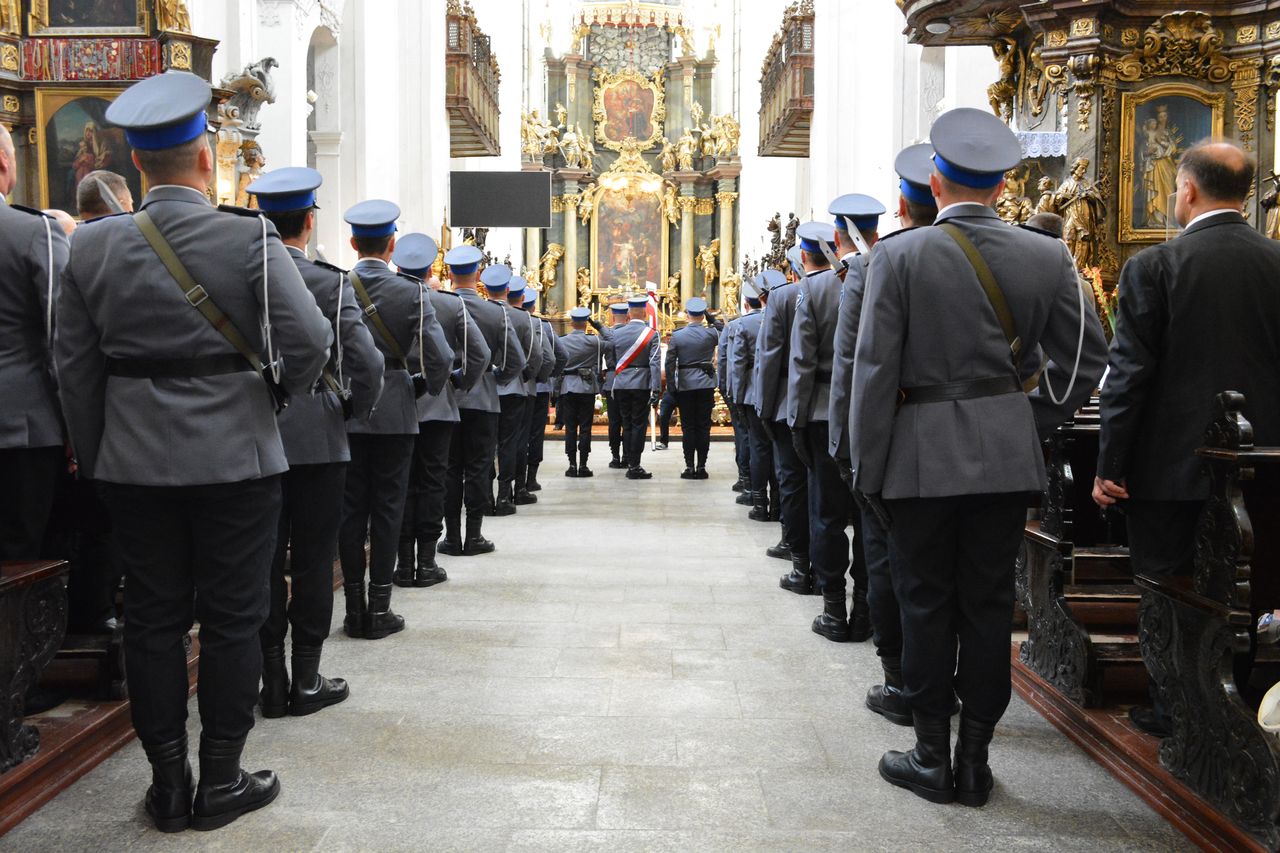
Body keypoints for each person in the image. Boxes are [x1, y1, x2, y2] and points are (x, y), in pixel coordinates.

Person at [55, 71, 333, 832]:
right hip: (238, 458)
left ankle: (168, 784)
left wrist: (99, 448)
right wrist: (271, 398)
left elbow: (73, 367)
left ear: (138, 163)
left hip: (134, 462)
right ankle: (222, 778)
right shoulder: (247, 237)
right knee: (236, 618)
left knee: (151, 620)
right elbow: (311, 342)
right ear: (206, 157)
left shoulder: (92, 248)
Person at [852, 107, 1106, 807]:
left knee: (926, 601)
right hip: (1004, 455)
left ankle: (931, 754)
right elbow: (1088, 357)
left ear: (935, 182)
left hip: (917, 459)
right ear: (1000, 186)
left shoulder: (895, 257)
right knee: (991, 605)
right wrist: (1026, 416)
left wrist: (867, 470)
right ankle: (975, 762)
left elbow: (874, 376)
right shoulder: (1047, 254)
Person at [1093, 140, 1280, 737]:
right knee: (1244, 590)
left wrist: (1110, 465)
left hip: (1169, 472)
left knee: (1164, 587)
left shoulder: (1154, 267)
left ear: (1188, 188)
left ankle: (1173, 709)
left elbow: (1128, 377)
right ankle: (1234, 712)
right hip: (1263, 468)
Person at [246, 167, 383, 718]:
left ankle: (270, 681)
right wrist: (351, 409)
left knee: (261, 562)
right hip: (322, 439)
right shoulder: (332, 282)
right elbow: (367, 361)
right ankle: (306, 677)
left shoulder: (243, 272)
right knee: (312, 560)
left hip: (254, 432)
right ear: (308, 221)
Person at [835, 144, 938, 724]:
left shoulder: (878, 265)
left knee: (898, 566)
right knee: (981, 595)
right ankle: (972, 751)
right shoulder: (1033, 251)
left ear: (904, 201)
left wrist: (857, 455)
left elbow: (864, 368)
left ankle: (903, 686)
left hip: (903, 444)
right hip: (1001, 454)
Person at [337, 199, 452, 641]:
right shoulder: (412, 292)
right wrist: (418, 386)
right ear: (392, 245)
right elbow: (440, 357)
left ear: (352, 243)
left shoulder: (336, 286)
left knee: (351, 512)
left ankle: (351, 609)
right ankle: (379, 608)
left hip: (346, 410)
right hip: (396, 410)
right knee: (388, 508)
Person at [791, 205, 882, 645]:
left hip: (823, 414)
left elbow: (801, 360)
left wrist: (795, 418)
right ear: (875, 231)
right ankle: (864, 610)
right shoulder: (887, 274)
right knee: (870, 519)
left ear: (835, 235)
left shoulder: (818, 288)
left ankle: (832, 609)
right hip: (874, 415)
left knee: (826, 516)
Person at [391, 232, 490, 590]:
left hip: (392, 405)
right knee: (434, 482)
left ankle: (402, 565)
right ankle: (427, 562)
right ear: (432, 268)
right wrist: (457, 383)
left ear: (396, 263)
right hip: (438, 407)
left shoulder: (378, 296)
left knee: (400, 484)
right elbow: (480, 355)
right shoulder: (449, 305)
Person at [0, 123, 70, 563]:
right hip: (22, 429)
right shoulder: (33, 232)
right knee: (22, 559)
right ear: (5, 163)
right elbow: (61, 337)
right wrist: (76, 428)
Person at [440, 247, 526, 556]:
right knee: (478, 467)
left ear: (449, 274)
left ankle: (451, 536)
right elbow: (516, 360)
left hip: (445, 397)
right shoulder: (496, 312)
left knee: (450, 468)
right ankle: (474, 535)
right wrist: (496, 379)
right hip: (484, 399)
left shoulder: (439, 306)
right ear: (478, 275)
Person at [759, 232, 813, 597]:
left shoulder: (783, 297)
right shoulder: (846, 285)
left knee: (792, 482)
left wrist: (765, 406)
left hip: (788, 404)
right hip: (833, 407)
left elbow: (769, 359)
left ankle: (799, 561)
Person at [487, 270, 542, 515]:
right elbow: (536, 356)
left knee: (486, 444)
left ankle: (484, 496)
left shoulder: (480, 311)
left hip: (485, 387)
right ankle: (504, 496)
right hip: (514, 388)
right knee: (510, 443)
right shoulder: (523, 319)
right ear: (507, 291)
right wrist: (524, 378)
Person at [607, 294, 661, 480]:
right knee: (638, 424)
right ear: (645, 313)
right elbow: (654, 363)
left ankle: (628, 461)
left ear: (629, 313)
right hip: (641, 384)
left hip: (621, 382)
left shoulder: (615, 333)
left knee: (626, 422)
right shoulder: (651, 334)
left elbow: (612, 361)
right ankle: (634, 465)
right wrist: (656, 389)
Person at [508, 278, 551, 506]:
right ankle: (520, 487)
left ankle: (495, 494)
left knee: (496, 442)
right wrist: (532, 377)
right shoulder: (532, 321)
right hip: (523, 387)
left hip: (489, 387)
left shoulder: (489, 313)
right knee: (522, 439)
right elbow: (545, 357)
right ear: (526, 301)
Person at [666, 297, 719, 479]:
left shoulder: (678, 335)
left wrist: (672, 387)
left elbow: (670, 362)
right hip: (706, 384)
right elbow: (726, 330)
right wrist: (711, 318)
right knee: (704, 427)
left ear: (687, 315)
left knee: (688, 427)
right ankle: (702, 467)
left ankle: (689, 467)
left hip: (686, 386)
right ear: (703, 316)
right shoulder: (711, 334)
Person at [521, 289, 563, 495]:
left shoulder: (505, 318)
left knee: (511, 435)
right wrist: (544, 377)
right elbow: (558, 356)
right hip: (538, 387)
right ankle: (530, 479)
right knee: (536, 434)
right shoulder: (542, 325)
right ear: (534, 307)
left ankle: (508, 482)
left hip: (507, 386)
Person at [557, 306, 604, 476]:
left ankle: (571, 465)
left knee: (570, 428)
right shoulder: (595, 341)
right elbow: (612, 341)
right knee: (585, 427)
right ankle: (583, 465)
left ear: (571, 323)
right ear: (586, 323)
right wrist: (598, 326)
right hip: (587, 387)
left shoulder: (561, 340)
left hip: (568, 386)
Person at [718, 306, 752, 497]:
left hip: (741, 390)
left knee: (744, 436)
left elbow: (724, 359)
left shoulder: (734, 326)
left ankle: (746, 481)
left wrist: (725, 388)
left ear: (746, 304)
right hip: (772, 390)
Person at [600, 302, 630, 468]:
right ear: (628, 317)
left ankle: (615, 456)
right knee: (627, 420)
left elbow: (599, 360)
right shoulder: (632, 333)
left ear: (612, 317)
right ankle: (626, 456)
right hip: (628, 379)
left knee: (614, 422)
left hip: (611, 379)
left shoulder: (606, 335)